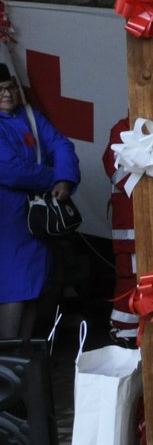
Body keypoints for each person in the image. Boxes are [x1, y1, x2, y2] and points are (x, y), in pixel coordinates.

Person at [0, 64, 79, 343]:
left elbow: (61, 146)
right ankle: (9, 359)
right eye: (0, 90)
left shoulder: (30, 116)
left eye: (9, 87)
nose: (7, 94)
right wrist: (54, 178)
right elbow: (9, 169)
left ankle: (24, 356)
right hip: (7, 219)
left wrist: (65, 179)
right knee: (14, 287)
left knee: (35, 283)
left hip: (35, 217)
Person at [102, 115, 140, 344]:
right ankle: (126, 337)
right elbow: (121, 175)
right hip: (132, 230)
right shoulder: (124, 129)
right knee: (131, 281)